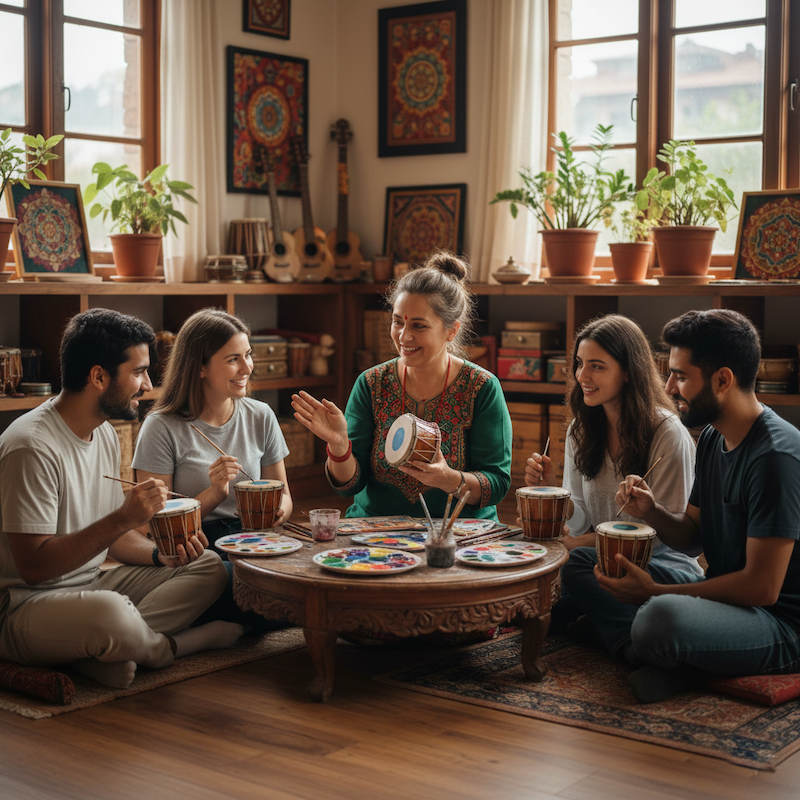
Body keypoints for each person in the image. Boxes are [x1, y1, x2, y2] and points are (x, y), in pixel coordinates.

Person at [564, 309, 800, 703]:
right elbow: (691, 541)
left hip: (779, 624)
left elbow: (762, 588)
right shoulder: (712, 438)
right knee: (580, 564)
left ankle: (645, 647)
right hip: (723, 599)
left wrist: (652, 591)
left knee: (658, 619)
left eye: (682, 376)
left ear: (723, 380)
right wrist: (651, 511)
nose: (669, 386)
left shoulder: (775, 457)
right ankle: (652, 653)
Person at [0, 309, 239, 690]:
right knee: (111, 612)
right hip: (24, 606)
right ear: (98, 376)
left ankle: (99, 652)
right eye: (139, 371)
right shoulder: (31, 446)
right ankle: (168, 648)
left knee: (207, 566)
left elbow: (116, 539)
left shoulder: (106, 434)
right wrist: (122, 518)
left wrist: (161, 557)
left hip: (92, 585)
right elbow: (34, 567)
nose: (147, 384)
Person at [291, 250, 512, 522]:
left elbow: (497, 484)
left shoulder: (481, 387)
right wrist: (339, 446)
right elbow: (350, 485)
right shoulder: (371, 384)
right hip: (375, 531)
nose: (404, 336)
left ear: (451, 330)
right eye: (397, 321)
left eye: (419, 326)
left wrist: (448, 479)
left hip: (458, 534)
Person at [525, 315, 702, 639]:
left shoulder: (667, 433)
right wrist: (552, 490)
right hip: (598, 562)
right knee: (537, 610)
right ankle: (604, 626)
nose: (582, 376)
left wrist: (576, 546)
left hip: (661, 568)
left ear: (628, 372)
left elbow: (660, 536)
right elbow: (578, 521)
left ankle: (628, 644)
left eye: (597, 366)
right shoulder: (581, 429)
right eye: (579, 364)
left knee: (573, 569)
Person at [132, 308, 293, 629]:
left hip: (256, 538)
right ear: (201, 367)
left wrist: (277, 512)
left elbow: (285, 495)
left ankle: (227, 621)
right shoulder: (161, 427)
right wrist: (214, 493)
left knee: (301, 575)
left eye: (248, 355)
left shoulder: (261, 415)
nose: (247, 367)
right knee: (243, 582)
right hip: (197, 547)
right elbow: (154, 526)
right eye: (233, 359)